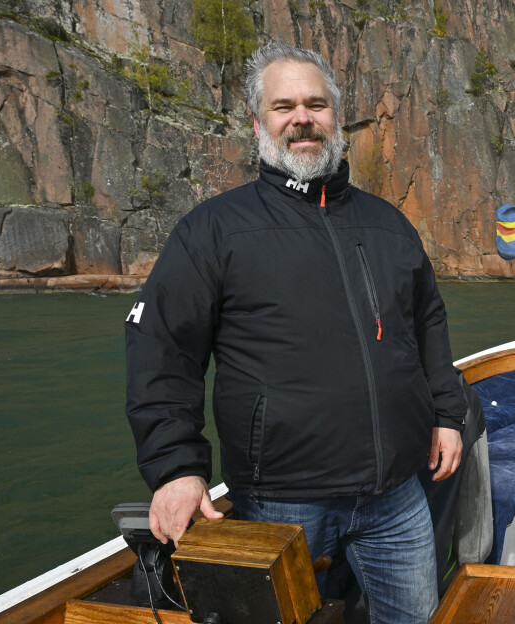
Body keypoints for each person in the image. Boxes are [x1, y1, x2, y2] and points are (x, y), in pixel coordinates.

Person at [125, 42, 466, 623]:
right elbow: (163, 349)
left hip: (398, 496)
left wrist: (448, 415)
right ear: (259, 123)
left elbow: (428, 323)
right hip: (280, 499)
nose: (302, 118)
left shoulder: (388, 224)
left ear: (337, 116)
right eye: (284, 106)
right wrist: (179, 469)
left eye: (316, 104)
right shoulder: (214, 229)